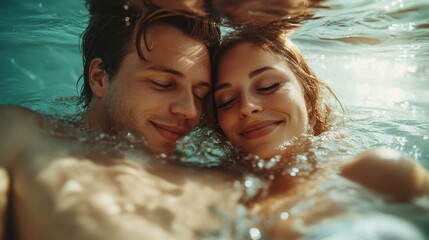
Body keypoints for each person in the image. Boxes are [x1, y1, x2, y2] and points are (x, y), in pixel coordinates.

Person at [0, 2, 247, 240]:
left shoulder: (217, 177)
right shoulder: (23, 135)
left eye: (199, 94)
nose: (190, 110)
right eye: (163, 84)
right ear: (99, 78)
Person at [208, 24, 429, 238]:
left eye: (268, 85)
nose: (247, 107)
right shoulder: (214, 205)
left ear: (308, 96)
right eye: (226, 101)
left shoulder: (378, 173)